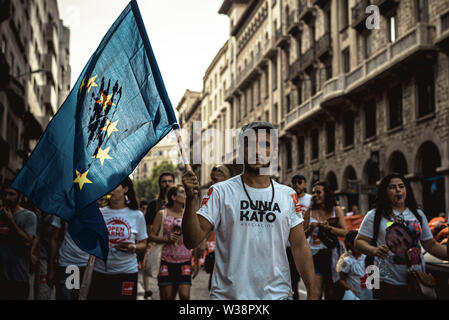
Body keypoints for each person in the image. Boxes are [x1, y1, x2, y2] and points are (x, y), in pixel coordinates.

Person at [182, 121, 318, 300]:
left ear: (275, 152)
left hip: (277, 296)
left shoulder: (287, 195)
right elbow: (192, 240)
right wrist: (191, 201)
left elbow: (300, 246)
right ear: (240, 148)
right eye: (250, 144)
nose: (257, 150)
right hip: (230, 299)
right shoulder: (220, 192)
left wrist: (313, 292)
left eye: (265, 144)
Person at [355, 173, 448, 300]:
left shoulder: (418, 214)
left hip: (416, 279)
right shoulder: (374, 215)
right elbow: (359, 241)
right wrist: (374, 250)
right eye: (392, 187)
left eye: (401, 186)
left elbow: (430, 244)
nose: (398, 190)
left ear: (406, 190)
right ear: (385, 192)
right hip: (386, 279)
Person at [88, 177, 148, 300]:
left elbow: (144, 244)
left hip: (127, 272)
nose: (111, 189)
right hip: (101, 272)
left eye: (115, 186)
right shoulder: (99, 213)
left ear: (125, 189)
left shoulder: (137, 215)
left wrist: (133, 247)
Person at [149, 185, 198, 300]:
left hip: (185, 260)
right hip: (166, 260)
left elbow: (194, 238)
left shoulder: (190, 214)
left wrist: (195, 261)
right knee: (167, 297)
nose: (185, 195)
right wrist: (166, 239)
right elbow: (151, 236)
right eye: (182, 192)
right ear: (173, 197)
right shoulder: (162, 214)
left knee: (185, 296)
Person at [304, 181, 347, 300]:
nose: (315, 195)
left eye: (318, 192)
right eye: (313, 193)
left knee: (331, 293)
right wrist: (309, 229)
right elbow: (301, 236)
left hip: (332, 256)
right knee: (314, 294)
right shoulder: (310, 211)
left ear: (326, 194)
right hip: (314, 257)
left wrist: (330, 228)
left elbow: (345, 232)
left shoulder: (336, 210)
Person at [0, 180, 37, 300]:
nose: (7, 197)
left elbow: (28, 240)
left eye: (12, 194)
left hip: (18, 278)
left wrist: (11, 221)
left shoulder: (29, 216)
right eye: (5, 194)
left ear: (20, 196)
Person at [143, 172, 174, 299]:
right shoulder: (153, 204)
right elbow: (148, 228)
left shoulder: (180, 203)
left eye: (170, 181)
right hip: (158, 246)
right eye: (164, 181)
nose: (167, 184)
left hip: (176, 248)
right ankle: (147, 289)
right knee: (163, 282)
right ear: (159, 184)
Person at [47, 215, 90, 300]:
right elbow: (54, 239)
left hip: (87, 266)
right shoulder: (63, 210)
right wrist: (51, 269)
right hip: (67, 264)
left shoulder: (98, 210)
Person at [204, 165, 232, 291]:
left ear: (227, 178)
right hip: (221, 253)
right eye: (212, 180)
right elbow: (207, 223)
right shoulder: (212, 194)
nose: (213, 183)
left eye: (216, 180)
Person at [287, 174, 312, 300]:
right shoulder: (288, 198)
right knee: (293, 281)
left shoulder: (311, 199)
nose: (296, 184)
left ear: (305, 184)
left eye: (299, 181)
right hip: (290, 245)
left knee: (312, 282)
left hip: (308, 244)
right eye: (294, 182)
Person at [337, 230, 373, 300]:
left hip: (368, 293)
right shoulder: (347, 261)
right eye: (355, 244)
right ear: (349, 244)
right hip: (355, 295)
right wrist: (350, 289)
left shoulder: (366, 257)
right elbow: (341, 280)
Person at [31, 210, 55, 300]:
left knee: (70, 294)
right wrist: (32, 252)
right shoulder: (44, 207)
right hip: (45, 258)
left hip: (69, 261)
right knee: (42, 294)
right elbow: (38, 232)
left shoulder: (75, 206)